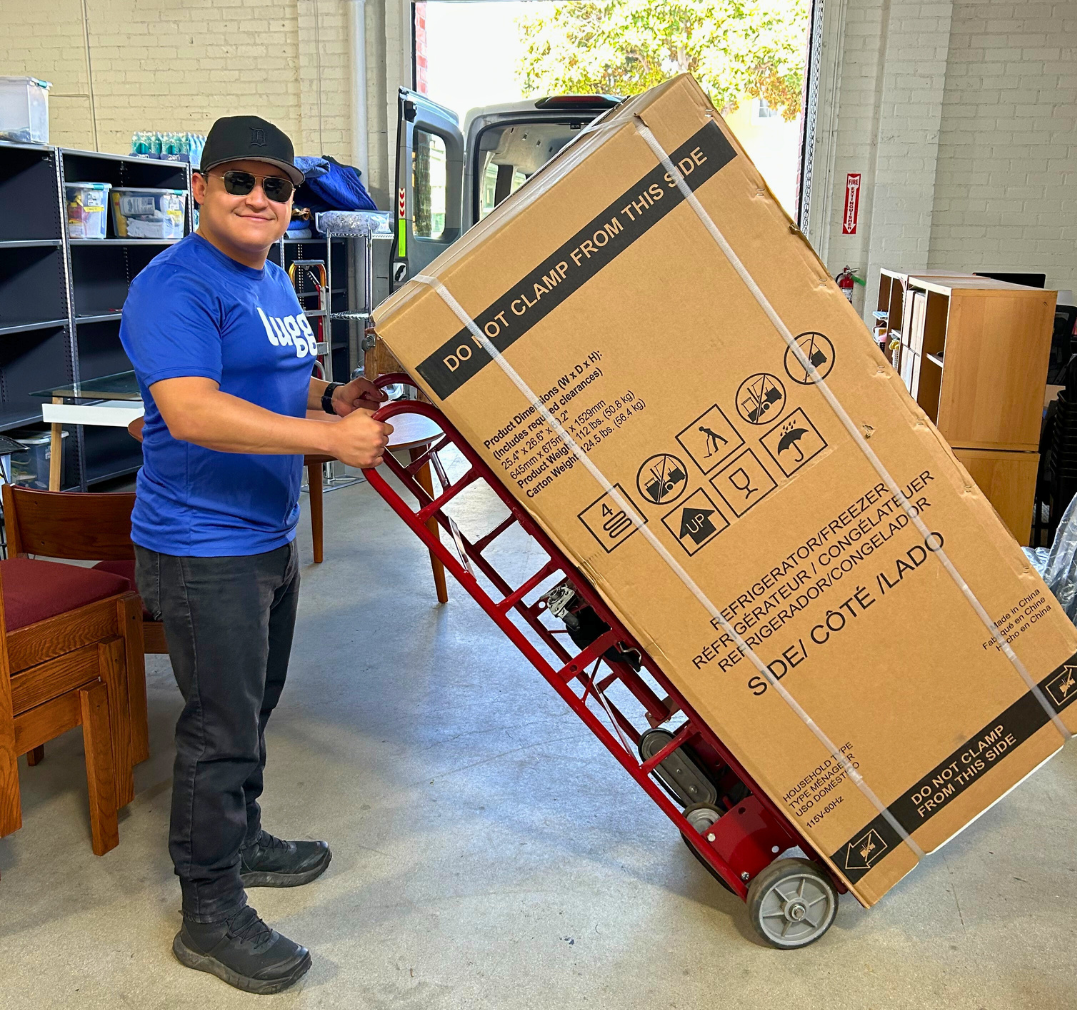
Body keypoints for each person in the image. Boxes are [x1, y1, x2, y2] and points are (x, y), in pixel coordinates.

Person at [120, 115, 393, 995]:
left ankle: (243, 839)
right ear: (198, 189)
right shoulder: (174, 286)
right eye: (238, 180)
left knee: (255, 705)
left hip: (263, 538)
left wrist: (329, 393)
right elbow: (194, 409)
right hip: (203, 548)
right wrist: (324, 435)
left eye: (276, 188)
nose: (259, 199)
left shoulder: (269, 279)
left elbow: (271, 375)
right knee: (219, 727)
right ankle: (208, 911)